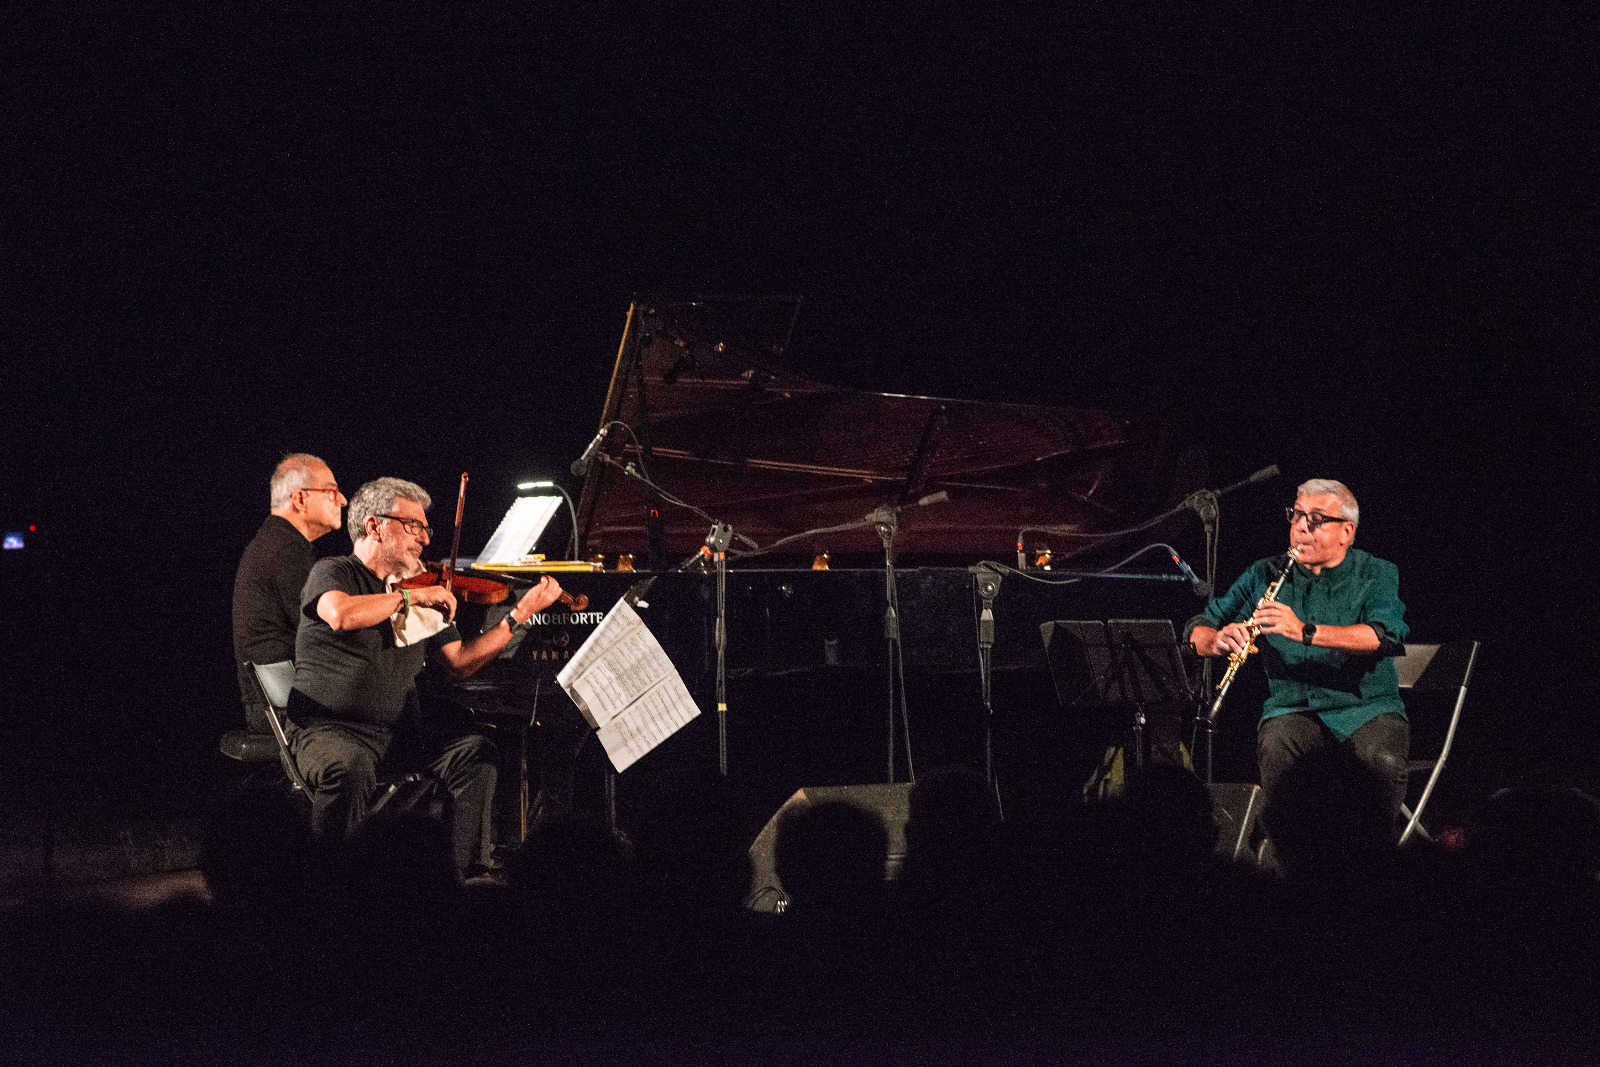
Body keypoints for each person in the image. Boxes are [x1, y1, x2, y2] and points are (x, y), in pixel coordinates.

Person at [287, 476, 565, 877]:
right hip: (326, 729)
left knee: (477, 753)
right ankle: (332, 883)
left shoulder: (421, 587)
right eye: (413, 525)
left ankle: (455, 877)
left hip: (393, 735)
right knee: (348, 768)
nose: (425, 538)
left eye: (425, 528)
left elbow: (459, 661)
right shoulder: (334, 572)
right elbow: (340, 614)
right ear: (374, 526)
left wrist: (519, 615)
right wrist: (410, 597)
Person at [1186, 479, 1410, 826]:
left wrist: (1303, 630)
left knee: (1380, 760)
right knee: (1277, 747)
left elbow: (1383, 637)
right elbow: (1198, 626)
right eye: (1297, 515)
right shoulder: (1264, 573)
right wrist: (1215, 641)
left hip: (1366, 709)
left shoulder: (1377, 573)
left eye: (1316, 519)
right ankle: (1289, 851)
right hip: (1292, 710)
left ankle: (1371, 851)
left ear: (1346, 532)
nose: (1302, 527)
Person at [232, 454, 347, 733]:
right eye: (332, 491)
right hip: (287, 711)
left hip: (283, 703)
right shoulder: (287, 551)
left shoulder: (278, 542)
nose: (343, 500)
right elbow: (325, 631)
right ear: (300, 499)